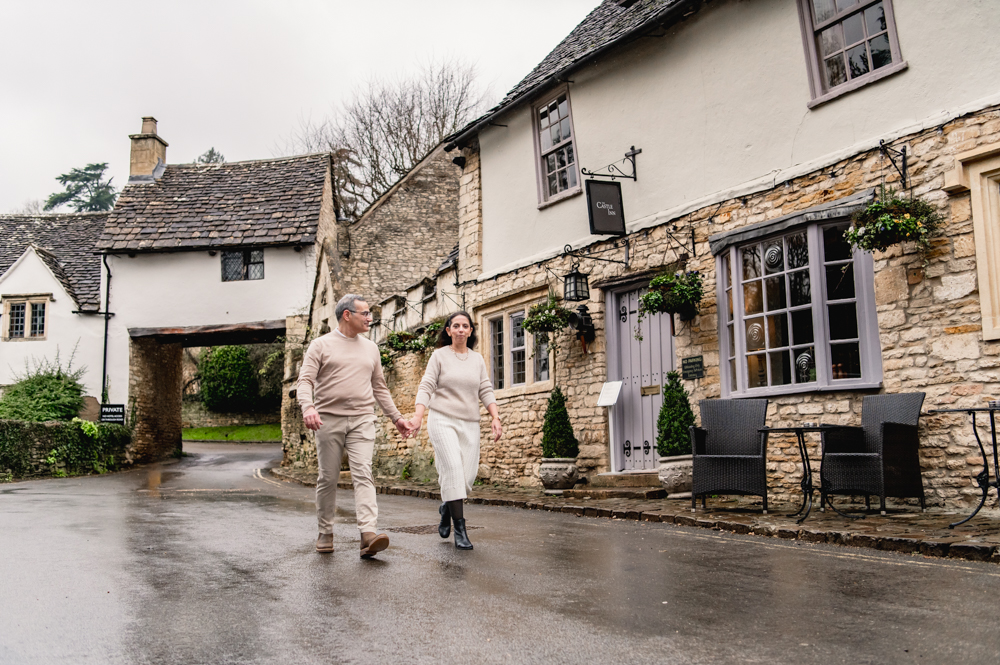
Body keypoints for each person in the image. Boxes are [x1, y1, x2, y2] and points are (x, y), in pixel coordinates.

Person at [298, 293, 415, 557]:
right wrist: (308, 407)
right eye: (365, 313)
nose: (370, 318)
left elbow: (379, 387)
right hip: (328, 419)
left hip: (363, 419)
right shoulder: (320, 345)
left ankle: (368, 534)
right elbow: (305, 381)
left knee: (364, 473)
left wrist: (396, 418)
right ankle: (325, 532)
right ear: (347, 315)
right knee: (328, 478)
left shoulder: (371, 348)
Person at [407, 311, 502, 550]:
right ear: (448, 330)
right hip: (442, 420)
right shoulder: (439, 356)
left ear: (470, 331)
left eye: (465, 326)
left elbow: (485, 389)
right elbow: (427, 385)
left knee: (466, 479)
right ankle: (460, 529)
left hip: (469, 423)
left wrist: (495, 417)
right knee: (453, 469)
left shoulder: (477, 359)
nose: (461, 330)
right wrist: (418, 415)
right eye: (456, 326)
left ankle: (446, 507)